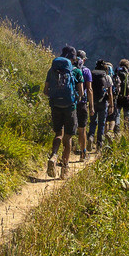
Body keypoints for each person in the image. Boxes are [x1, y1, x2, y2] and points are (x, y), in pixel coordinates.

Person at [45, 46, 78, 179]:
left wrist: (54, 97)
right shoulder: (75, 71)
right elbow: (81, 92)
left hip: (55, 105)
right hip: (70, 106)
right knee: (68, 136)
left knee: (58, 133)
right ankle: (65, 168)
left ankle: (53, 156)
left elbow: (45, 90)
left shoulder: (52, 69)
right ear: (73, 58)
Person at [90, 58, 115, 148]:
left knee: (93, 122)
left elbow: (89, 89)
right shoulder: (107, 77)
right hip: (103, 102)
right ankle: (99, 143)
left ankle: (91, 137)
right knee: (101, 123)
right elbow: (110, 93)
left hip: (93, 102)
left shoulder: (91, 75)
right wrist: (111, 105)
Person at [73, 50, 93, 158]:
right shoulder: (86, 71)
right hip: (82, 103)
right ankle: (83, 153)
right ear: (84, 60)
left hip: (71, 102)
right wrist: (91, 106)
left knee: (69, 129)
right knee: (82, 129)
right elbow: (89, 89)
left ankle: (65, 155)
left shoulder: (70, 69)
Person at [116, 59, 129, 132]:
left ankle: (117, 129)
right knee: (127, 114)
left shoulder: (116, 74)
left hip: (117, 97)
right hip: (127, 98)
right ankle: (127, 130)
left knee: (117, 113)